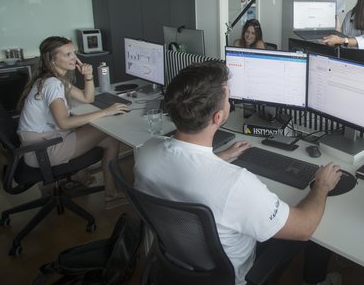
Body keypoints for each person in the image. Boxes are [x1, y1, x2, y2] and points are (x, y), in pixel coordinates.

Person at [134, 61, 342, 285]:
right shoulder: (235, 183)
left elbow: (185, 170)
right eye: (228, 97)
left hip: (178, 260)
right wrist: (322, 185)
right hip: (234, 277)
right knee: (312, 230)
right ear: (218, 117)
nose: (231, 102)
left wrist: (219, 158)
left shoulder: (147, 151)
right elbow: (304, 228)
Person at [17, 36, 131, 209]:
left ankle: (108, 192)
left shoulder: (54, 79)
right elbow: (64, 123)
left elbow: (88, 98)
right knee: (107, 131)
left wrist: (88, 76)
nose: (74, 58)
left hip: (40, 143)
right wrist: (106, 112)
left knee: (110, 140)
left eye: (74, 53)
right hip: (43, 150)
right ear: (52, 59)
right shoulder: (52, 84)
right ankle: (110, 193)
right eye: (68, 54)